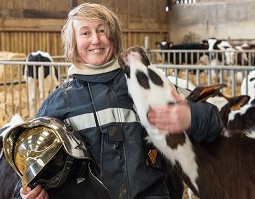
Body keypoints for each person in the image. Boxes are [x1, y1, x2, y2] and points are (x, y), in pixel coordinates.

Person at [15, 2, 223, 199]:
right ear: (73, 43)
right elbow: (28, 172)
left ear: (113, 37)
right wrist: (27, 194)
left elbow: (215, 122)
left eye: (102, 30)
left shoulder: (147, 84)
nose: (96, 40)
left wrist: (190, 115)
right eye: (85, 33)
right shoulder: (57, 104)